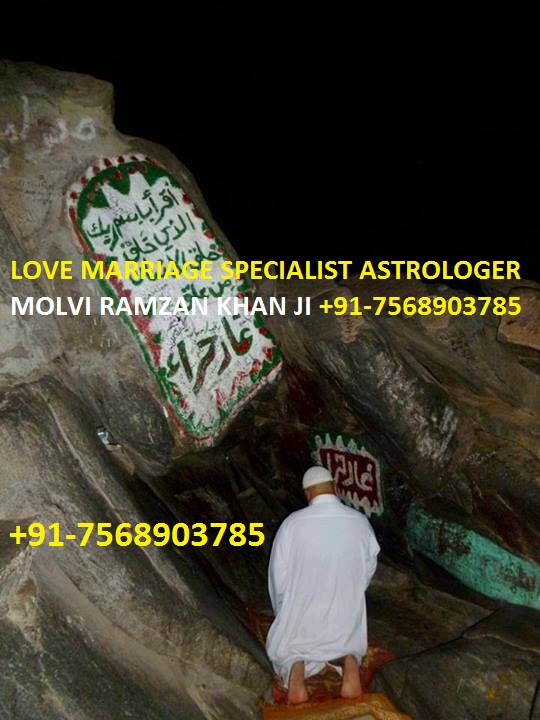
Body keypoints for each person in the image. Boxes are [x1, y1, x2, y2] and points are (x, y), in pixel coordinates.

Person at [266, 465, 380, 704]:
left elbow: (278, 576)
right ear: (334, 487)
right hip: (344, 618)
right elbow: (368, 567)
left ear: (307, 493)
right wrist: (352, 591)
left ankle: (296, 669)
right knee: (349, 643)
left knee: (289, 646)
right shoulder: (360, 522)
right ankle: (350, 663)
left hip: (303, 616)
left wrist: (283, 610)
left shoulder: (292, 524)